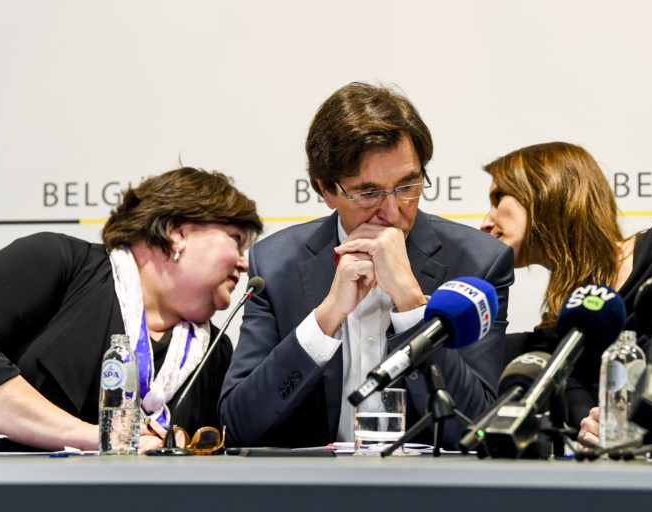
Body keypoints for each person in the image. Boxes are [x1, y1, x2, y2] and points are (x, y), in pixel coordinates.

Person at [219, 82, 514, 449]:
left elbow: (477, 432)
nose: (392, 212)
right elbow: (240, 426)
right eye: (369, 192)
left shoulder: (479, 263)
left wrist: (412, 305)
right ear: (327, 190)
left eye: (407, 186)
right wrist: (325, 318)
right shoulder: (276, 265)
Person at [0, 167, 262, 452]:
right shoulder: (60, 263)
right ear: (176, 232)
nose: (244, 262)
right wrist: (96, 436)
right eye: (235, 240)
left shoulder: (216, 352)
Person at [480, 141, 652, 445]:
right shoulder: (566, 331)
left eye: (498, 198)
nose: (485, 222)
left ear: (546, 190)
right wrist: (597, 428)